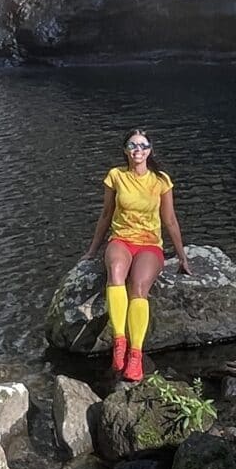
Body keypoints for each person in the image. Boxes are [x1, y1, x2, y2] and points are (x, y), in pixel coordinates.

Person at [86, 129, 193, 383]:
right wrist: (92, 250)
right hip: (121, 240)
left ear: (149, 150)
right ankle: (119, 342)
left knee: (139, 287)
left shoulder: (161, 180)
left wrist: (182, 257)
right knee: (116, 274)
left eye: (143, 145)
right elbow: (105, 215)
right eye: (132, 145)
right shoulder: (116, 176)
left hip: (149, 244)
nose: (138, 150)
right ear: (125, 150)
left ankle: (135, 354)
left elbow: (169, 219)